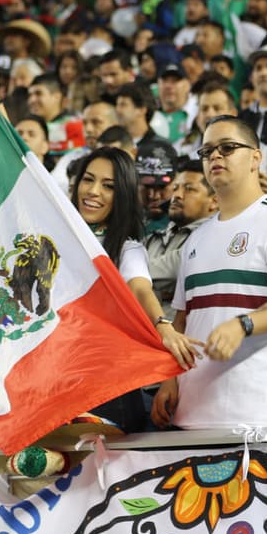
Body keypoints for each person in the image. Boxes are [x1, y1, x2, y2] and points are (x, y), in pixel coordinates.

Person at [151, 116, 267, 429]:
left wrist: (243, 325)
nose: (215, 156)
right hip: (190, 415)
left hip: (259, 416)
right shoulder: (196, 238)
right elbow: (183, 319)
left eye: (227, 148)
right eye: (207, 151)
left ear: (256, 158)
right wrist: (170, 379)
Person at [68, 147, 199, 428]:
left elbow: (139, 288)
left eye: (108, 186)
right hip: (58, 383)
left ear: (123, 196)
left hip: (107, 387)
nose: (93, 191)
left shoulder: (128, 249)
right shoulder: (49, 241)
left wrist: (163, 326)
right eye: (88, 180)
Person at [143, 158, 217, 319]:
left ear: (214, 201)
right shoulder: (153, 238)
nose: (177, 195)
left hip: (182, 331)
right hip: (141, 328)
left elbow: (174, 269)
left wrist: (138, 284)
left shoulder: (215, 236)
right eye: (175, 188)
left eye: (189, 189)